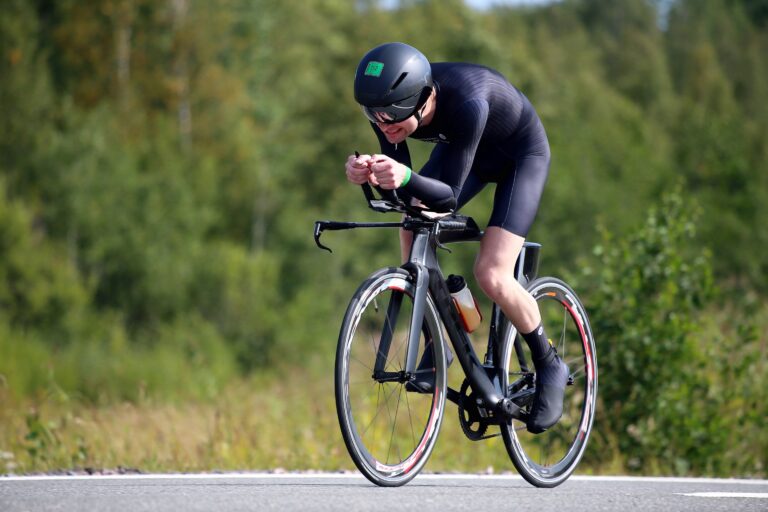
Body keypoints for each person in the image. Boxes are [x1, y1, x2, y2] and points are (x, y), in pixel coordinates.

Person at [344, 42, 568, 434]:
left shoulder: (467, 103)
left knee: (492, 273)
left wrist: (406, 177)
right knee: (410, 222)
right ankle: (438, 338)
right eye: (373, 116)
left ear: (422, 99)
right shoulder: (386, 106)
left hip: (519, 157)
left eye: (392, 117)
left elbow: (445, 195)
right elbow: (402, 198)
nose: (383, 125)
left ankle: (549, 362)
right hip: (471, 154)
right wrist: (373, 175)